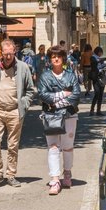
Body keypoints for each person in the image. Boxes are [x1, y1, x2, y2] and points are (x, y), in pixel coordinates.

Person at [0, 40, 37, 189]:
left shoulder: (23, 68)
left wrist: (24, 104)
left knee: (13, 145)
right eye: (5, 54)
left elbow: (31, 89)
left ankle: (11, 174)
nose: (7, 57)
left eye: (10, 54)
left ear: (15, 52)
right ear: (1, 53)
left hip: (14, 111)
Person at [38, 45, 82, 195]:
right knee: (53, 146)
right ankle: (55, 179)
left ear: (63, 58)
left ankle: (67, 172)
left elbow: (76, 95)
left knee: (68, 146)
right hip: (51, 115)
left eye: (58, 56)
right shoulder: (45, 76)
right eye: (52, 56)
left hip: (69, 115)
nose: (56, 59)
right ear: (50, 59)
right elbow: (43, 95)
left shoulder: (71, 75)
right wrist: (64, 94)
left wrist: (56, 100)